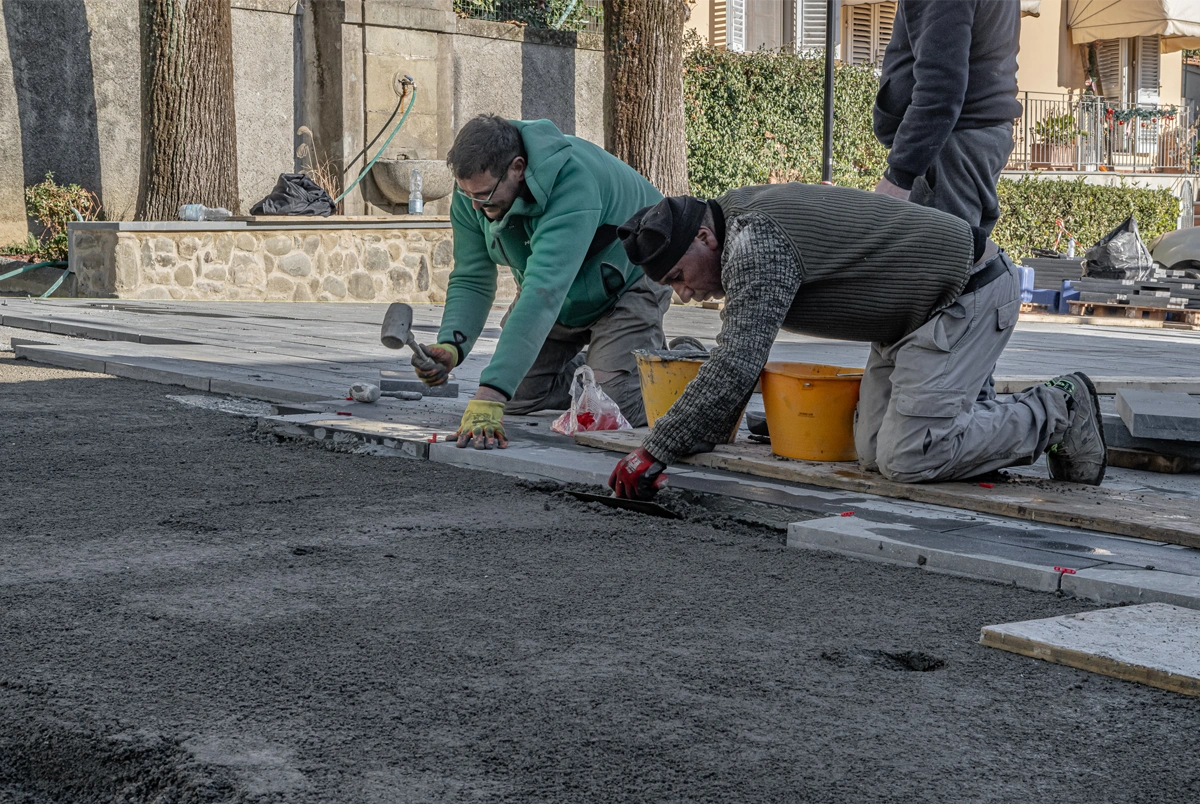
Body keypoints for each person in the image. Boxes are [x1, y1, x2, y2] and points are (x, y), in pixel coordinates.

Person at [605, 184, 1107, 501]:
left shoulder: (753, 242)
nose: (685, 295)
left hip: (965, 295)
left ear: (704, 240)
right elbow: (739, 361)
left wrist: (656, 449)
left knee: (910, 457)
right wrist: (692, 435)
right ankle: (973, 416)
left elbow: (737, 361)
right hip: (908, 323)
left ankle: (1060, 406)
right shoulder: (734, 225)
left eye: (678, 277)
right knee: (870, 454)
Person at [416, 115, 672, 449]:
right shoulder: (473, 193)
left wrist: (490, 394)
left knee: (611, 408)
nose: (477, 207)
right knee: (519, 397)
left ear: (517, 168)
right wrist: (453, 345)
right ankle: (605, 367)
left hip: (629, 281)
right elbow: (472, 276)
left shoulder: (573, 181)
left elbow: (543, 293)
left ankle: (677, 363)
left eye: (485, 196)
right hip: (564, 293)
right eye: (468, 196)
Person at [872, 0, 1021, 237]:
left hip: (949, 143)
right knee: (962, 254)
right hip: (970, 138)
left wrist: (899, 177)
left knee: (937, 262)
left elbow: (941, 86)